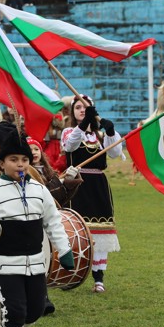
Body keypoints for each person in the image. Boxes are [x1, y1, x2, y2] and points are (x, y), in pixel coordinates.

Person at [0, 126, 74, 327]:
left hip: (36, 263)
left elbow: (53, 222)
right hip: (5, 264)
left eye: (24, 159)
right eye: (14, 159)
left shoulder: (39, 190)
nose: (20, 164)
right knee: (15, 309)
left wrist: (65, 250)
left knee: (36, 310)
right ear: (2, 162)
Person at [61, 95, 124, 293]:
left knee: (100, 230)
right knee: (76, 231)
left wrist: (111, 132)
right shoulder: (69, 132)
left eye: (86, 107)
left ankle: (99, 278)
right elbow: (69, 146)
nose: (82, 110)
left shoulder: (100, 136)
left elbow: (115, 153)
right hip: (78, 185)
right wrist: (84, 124)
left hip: (98, 185)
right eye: (78, 107)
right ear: (73, 112)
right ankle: (71, 275)